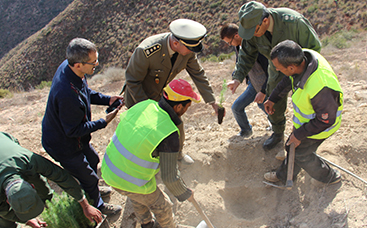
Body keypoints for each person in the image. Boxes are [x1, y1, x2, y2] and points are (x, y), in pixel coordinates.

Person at [102, 79, 200, 228]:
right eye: (187, 106)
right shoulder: (169, 133)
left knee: (138, 193)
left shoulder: (145, 105)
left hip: (109, 169)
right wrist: (185, 193)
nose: (187, 110)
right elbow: (169, 177)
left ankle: (147, 224)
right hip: (126, 177)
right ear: (179, 106)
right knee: (164, 206)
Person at [123, 18, 223, 164]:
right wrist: (147, 110)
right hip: (138, 98)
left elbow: (198, 74)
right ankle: (148, 163)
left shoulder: (186, 50)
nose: (192, 52)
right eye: (190, 49)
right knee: (147, 132)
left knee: (176, 124)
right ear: (176, 43)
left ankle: (178, 156)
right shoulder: (146, 51)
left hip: (160, 95)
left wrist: (212, 101)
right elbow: (132, 81)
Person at [41, 38, 122, 216]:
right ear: (78, 65)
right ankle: (98, 206)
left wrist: (106, 99)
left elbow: (86, 92)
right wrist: (104, 121)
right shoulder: (66, 94)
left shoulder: (70, 69)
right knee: (88, 175)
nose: (97, 64)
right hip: (63, 144)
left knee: (93, 160)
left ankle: (91, 189)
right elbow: (73, 130)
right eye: (93, 62)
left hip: (72, 136)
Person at [232, 1, 321, 152]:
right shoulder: (252, 28)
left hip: (302, 70)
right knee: (273, 102)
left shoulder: (294, 23)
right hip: (276, 70)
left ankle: (309, 138)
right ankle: (278, 132)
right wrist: (238, 77)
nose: (252, 35)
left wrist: (301, 73)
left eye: (254, 31)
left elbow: (314, 49)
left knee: (306, 103)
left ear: (265, 21)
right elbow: (246, 55)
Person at [263, 40, 342, 186]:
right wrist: (273, 98)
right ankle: (286, 176)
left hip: (322, 126)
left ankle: (330, 177)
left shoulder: (320, 86)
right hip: (309, 122)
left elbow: (326, 120)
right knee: (293, 147)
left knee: (301, 153)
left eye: (279, 68)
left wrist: (299, 134)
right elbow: (288, 80)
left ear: (291, 67)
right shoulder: (303, 59)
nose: (278, 70)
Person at [0, 132, 102, 228]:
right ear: (8, 201)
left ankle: (48, 200)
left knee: (36, 179)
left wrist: (85, 205)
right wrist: (27, 220)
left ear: (32, 185)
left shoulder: (28, 160)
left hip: (5, 142)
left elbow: (60, 176)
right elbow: (2, 210)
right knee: (3, 221)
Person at [220, 23, 270, 138]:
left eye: (229, 42)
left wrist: (263, 91)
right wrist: (235, 80)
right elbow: (239, 64)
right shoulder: (238, 46)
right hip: (253, 84)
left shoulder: (256, 46)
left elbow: (269, 71)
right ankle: (246, 131)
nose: (229, 44)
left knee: (265, 106)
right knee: (237, 108)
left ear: (237, 35)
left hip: (265, 84)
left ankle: (276, 129)